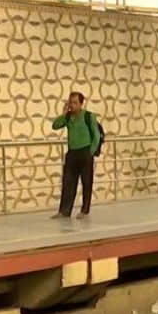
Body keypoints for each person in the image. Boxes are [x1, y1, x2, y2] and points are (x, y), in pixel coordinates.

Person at [50, 91, 102, 219]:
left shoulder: (88, 116)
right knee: (68, 182)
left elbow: (96, 135)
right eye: (70, 102)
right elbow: (55, 126)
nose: (72, 105)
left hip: (85, 152)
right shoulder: (68, 117)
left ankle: (84, 210)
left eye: (75, 103)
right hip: (72, 153)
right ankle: (64, 211)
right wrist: (63, 113)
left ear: (81, 104)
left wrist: (91, 151)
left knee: (86, 182)